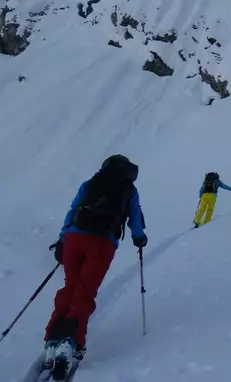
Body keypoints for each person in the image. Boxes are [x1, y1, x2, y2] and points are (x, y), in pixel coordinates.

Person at [44, 154, 147, 375]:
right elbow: (135, 217)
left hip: (74, 239)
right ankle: (72, 343)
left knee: (70, 286)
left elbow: (73, 210)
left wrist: (63, 239)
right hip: (102, 243)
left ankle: (53, 339)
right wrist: (139, 237)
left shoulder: (90, 183)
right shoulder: (129, 190)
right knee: (85, 292)